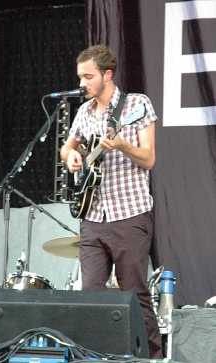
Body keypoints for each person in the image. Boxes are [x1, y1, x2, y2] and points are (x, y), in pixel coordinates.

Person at [60, 44, 162, 359]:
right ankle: (99, 355)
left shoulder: (136, 105)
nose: (82, 83)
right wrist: (72, 157)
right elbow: (66, 149)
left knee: (134, 295)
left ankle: (153, 357)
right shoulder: (83, 112)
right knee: (90, 294)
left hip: (129, 214)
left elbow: (149, 159)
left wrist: (121, 145)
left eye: (88, 76)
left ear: (107, 74)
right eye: (80, 77)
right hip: (92, 216)